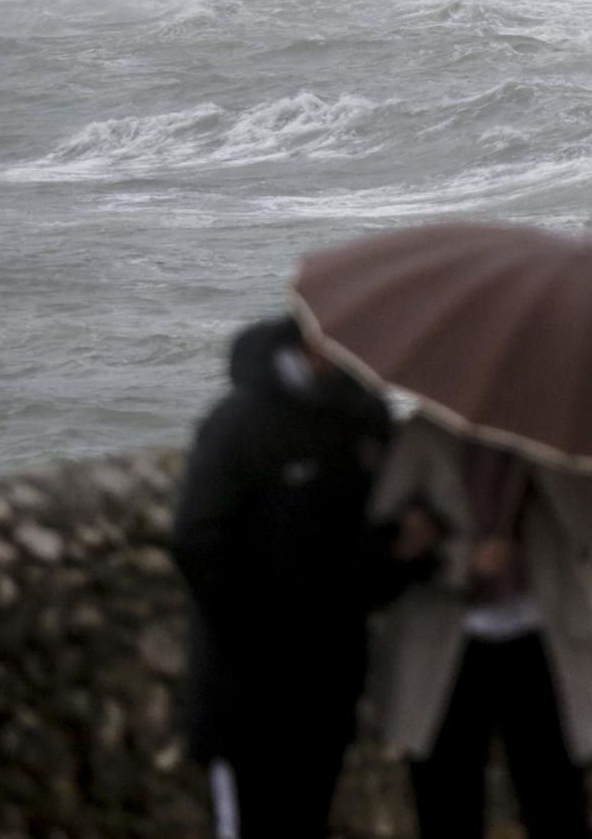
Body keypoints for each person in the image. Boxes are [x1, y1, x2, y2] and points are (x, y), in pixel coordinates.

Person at [170, 316, 442, 839]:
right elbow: (196, 541)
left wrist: (408, 554)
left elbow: (368, 558)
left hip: (331, 676)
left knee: (309, 818)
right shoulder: (239, 422)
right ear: (315, 340)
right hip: (248, 690)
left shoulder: (366, 419)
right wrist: (258, 637)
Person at [371, 414, 592, 839]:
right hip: (447, 643)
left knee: (556, 800)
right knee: (446, 802)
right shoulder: (426, 434)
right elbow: (388, 530)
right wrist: (463, 559)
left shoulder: (558, 434)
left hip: (543, 635)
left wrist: (552, 463)